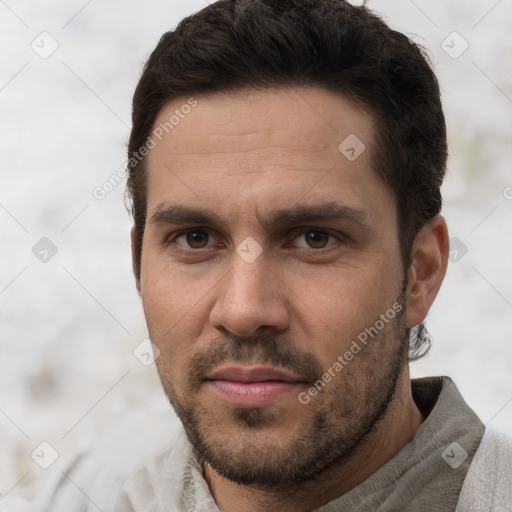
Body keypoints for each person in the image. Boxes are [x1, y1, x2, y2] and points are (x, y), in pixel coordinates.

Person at [3, 1, 510, 511]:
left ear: (420, 273)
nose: (244, 311)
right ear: (138, 265)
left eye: (314, 238)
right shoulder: (80, 493)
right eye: (195, 239)